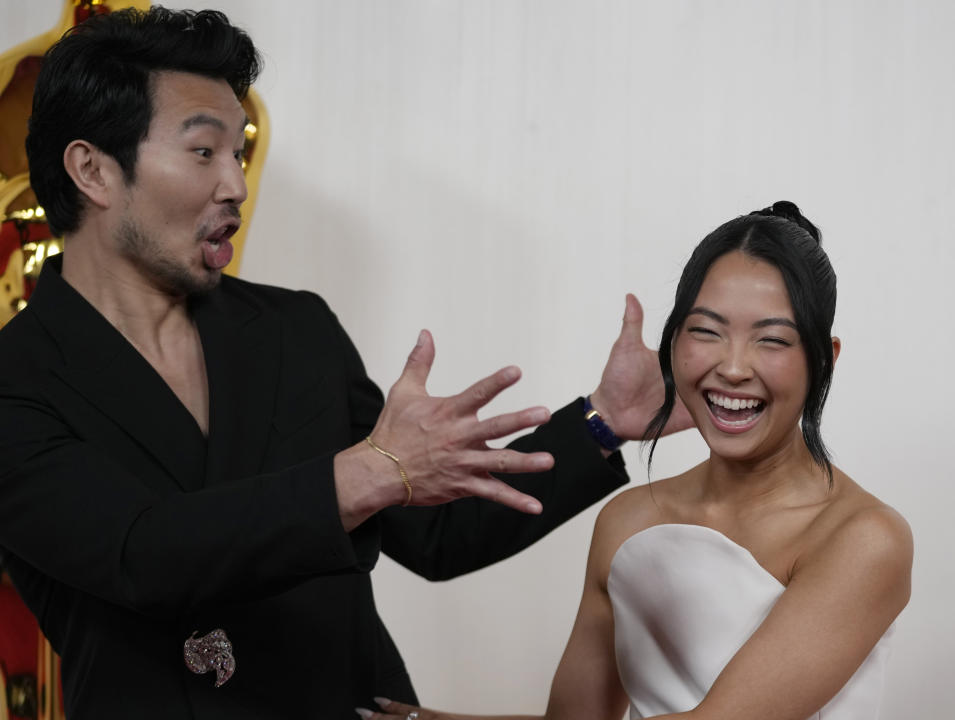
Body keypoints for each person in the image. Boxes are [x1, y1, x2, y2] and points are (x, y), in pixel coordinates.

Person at [0, 7, 691, 719]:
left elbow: (437, 536)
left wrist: (603, 423)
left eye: (237, 153)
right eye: (204, 152)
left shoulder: (292, 330)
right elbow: (142, 555)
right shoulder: (16, 381)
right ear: (93, 170)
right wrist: (369, 472)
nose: (235, 185)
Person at [370, 202, 913, 720]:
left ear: (825, 359)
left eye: (772, 340)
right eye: (705, 331)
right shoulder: (629, 521)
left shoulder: (863, 538)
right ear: (673, 344)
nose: (733, 367)